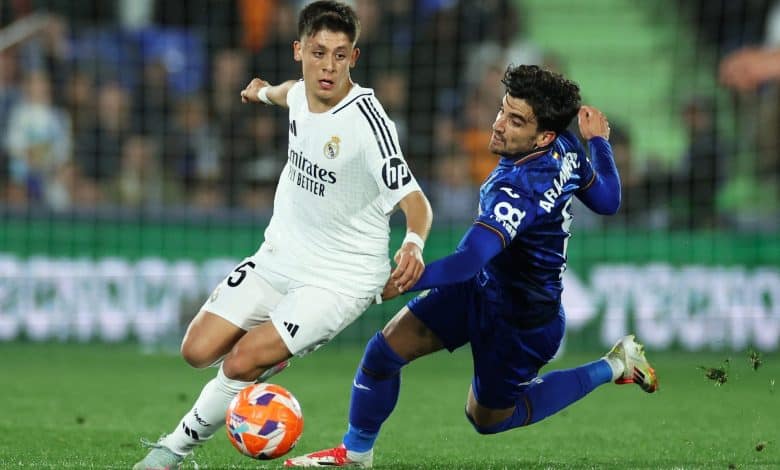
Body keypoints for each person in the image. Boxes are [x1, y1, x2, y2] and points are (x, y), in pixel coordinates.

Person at [285, 64, 659, 468]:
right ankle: (355, 455)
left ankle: (616, 364)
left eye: (515, 121)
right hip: (481, 288)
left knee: (486, 419)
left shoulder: (517, 189)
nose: (498, 125)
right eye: (503, 110)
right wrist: (598, 143)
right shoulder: (566, 147)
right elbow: (607, 200)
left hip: (521, 321)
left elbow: (467, 260)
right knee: (383, 353)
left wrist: (397, 282)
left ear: (543, 135)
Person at [133, 2, 433, 468]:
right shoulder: (298, 93)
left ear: (354, 57)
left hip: (339, 279)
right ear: (299, 51)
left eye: (339, 55)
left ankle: (170, 450)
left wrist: (413, 242)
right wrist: (261, 92)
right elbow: (289, 93)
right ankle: (269, 358)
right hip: (280, 256)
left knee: (238, 362)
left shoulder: (370, 125)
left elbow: (416, 201)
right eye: (318, 53)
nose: (327, 66)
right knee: (197, 351)